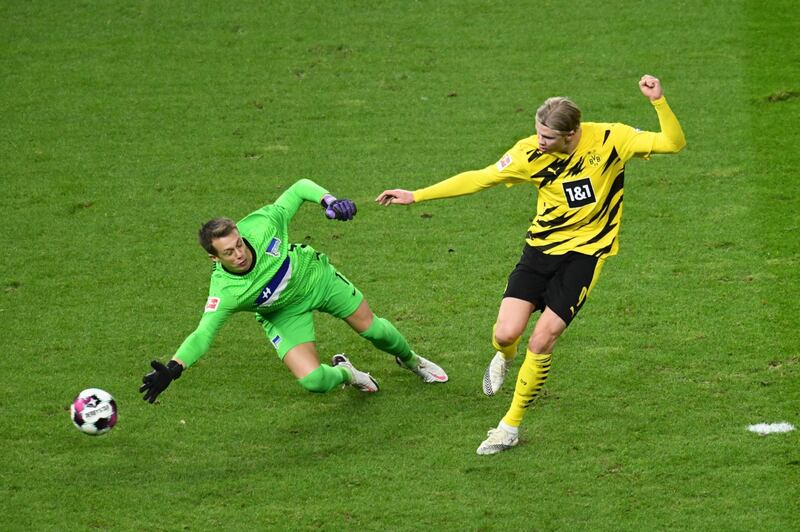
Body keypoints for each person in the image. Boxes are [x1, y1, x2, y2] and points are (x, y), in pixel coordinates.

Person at [376, 75, 685, 455]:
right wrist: (417, 195)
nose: (540, 142)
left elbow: (673, 143)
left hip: (584, 256)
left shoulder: (610, 139)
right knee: (506, 333)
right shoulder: (528, 153)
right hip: (539, 251)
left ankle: (510, 426)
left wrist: (658, 101)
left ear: (572, 134)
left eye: (548, 138)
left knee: (542, 339)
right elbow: (481, 178)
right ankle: (505, 357)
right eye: (538, 133)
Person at [140, 178, 448, 405]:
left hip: (316, 278)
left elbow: (300, 187)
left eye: (238, 244)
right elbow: (203, 334)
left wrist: (329, 201)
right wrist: (172, 369)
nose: (239, 253)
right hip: (282, 313)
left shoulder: (262, 225)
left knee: (374, 331)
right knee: (314, 381)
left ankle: (411, 361)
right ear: (214, 258)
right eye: (229, 253)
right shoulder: (225, 291)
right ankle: (348, 374)